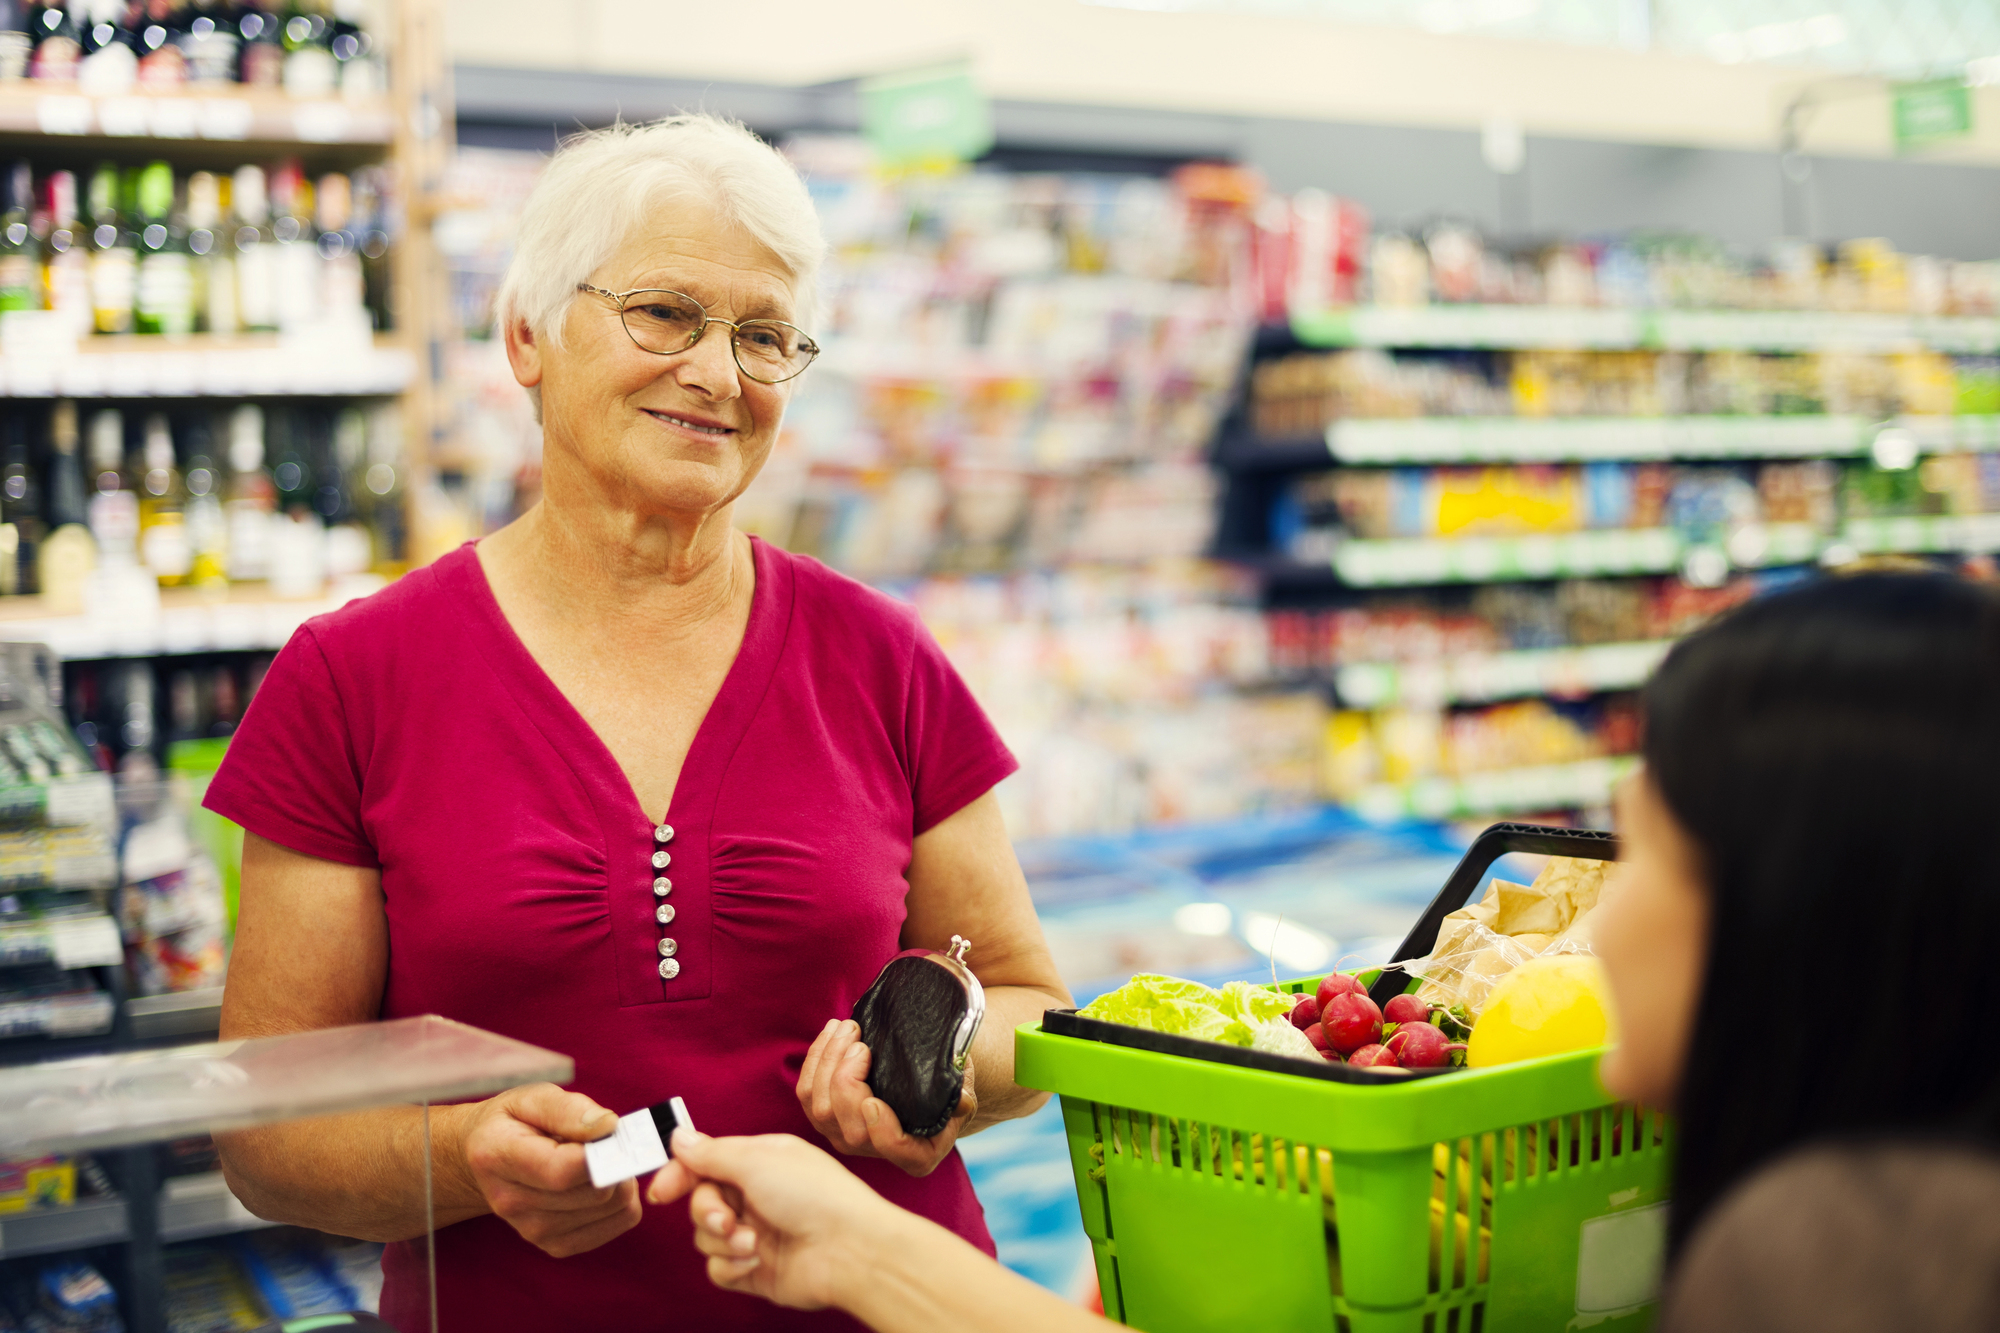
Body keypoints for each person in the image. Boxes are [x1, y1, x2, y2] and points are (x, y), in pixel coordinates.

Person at [205, 114, 1070, 1332]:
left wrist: (937, 1080)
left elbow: (1029, 999)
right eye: (664, 314)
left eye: (764, 336)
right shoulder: (352, 680)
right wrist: (469, 1159)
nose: (719, 374)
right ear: (526, 336)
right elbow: (267, 1132)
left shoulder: (880, 656)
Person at [651, 571, 2000, 1332]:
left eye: (1657, 857)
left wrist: (870, 1255)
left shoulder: (1849, 1255)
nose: (1607, 913)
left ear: (1818, 916)